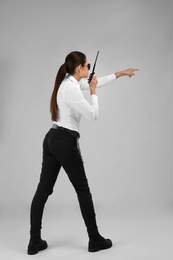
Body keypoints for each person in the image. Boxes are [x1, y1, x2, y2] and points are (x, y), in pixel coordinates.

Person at [27, 51, 138, 255]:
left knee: (43, 191)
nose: (89, 70)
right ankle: (95, 239)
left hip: (52, 138)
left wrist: (121, 74)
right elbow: (93, 115)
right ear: (79, 68)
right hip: (64, 141)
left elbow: (96, 81)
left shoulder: (70, 83)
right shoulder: (71, 89)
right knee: (83, 190)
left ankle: (34, 241)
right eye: (87, 66)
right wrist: (94, 93)